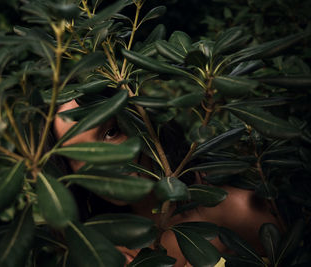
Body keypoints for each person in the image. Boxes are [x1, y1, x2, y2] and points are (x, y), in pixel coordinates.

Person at [52, 99, 280, 267]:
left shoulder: (229, 208)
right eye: (81, 154)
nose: (105, 161)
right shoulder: (95, 247)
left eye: (111, 132)